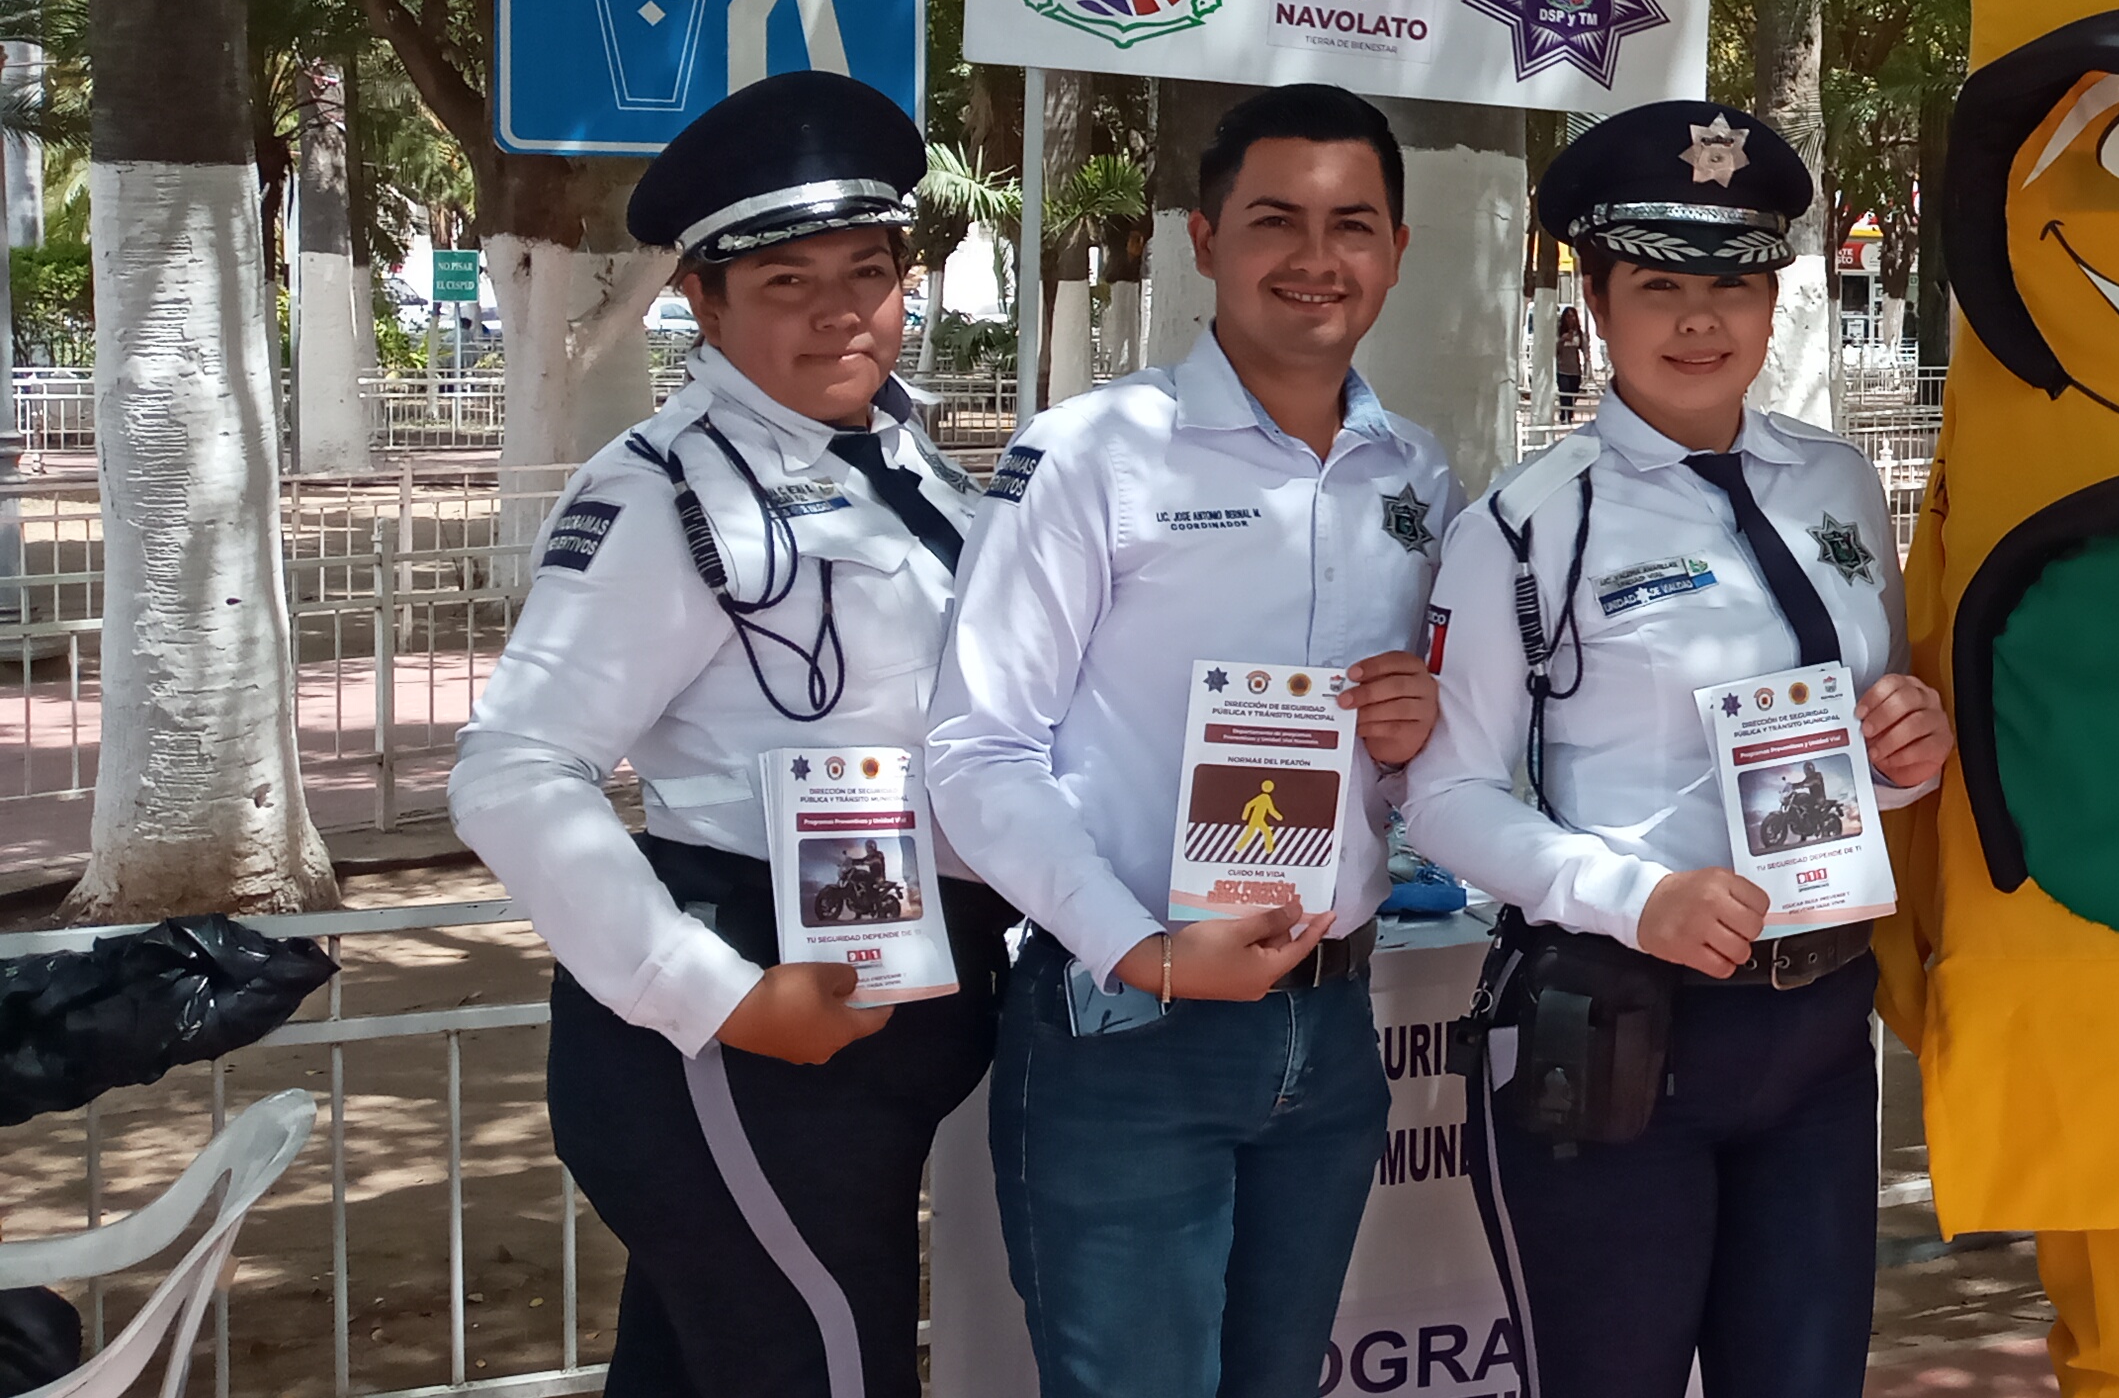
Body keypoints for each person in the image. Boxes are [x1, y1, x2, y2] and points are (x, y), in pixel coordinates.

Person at [447, 70, 1006, 1398]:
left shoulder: (910, 462)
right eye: (784, 283)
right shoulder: (664, 494)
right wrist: (720, 998)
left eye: (867, 274)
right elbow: (513, 770)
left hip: (873, 1010)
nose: (838, 313)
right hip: (747, 1032)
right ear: (703, 301)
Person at [1408, 100, 1954, 1398]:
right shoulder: (1527, 527)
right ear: (1596, 302)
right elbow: (1446, 796)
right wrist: (1631, 897)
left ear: (1772, 303)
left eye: (1733, 285)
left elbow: (1863, 748)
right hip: (1621, 1033)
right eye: (1659, 286)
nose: (1700, 321)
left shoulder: (1836, 484)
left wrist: (1907, 754)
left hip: (1819, 1028)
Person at [921, 83, 1453, 1398]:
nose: (1315, 258)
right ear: (1205, 239)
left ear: (1397, 251)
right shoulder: (1093, 455)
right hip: (1128, 1026)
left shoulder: (1414, 473)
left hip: (1330, 1027)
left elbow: (1416, 756)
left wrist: (1414, 732)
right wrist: (1144, 950)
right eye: (1275, 220)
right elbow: (977, 751)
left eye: (1352, 224)